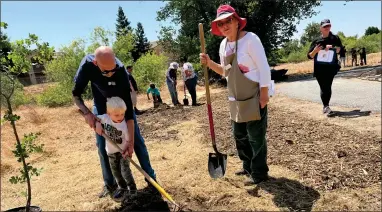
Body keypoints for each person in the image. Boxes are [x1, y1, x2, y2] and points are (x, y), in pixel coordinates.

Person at [72, 46, 158, 198]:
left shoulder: (121, 71)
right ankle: (110, 185)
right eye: (106, 72)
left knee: (137, 141)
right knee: (102, 145)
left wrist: (130, 142)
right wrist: (88, 114)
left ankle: (151, 179)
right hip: (101, 107)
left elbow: (130, 113)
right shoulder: (87, 66)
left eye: (113, 69)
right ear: (96, 64)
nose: (111, 74)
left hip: (121, 106)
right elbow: (76, 94)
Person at [200, 5, 272, 185]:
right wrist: (209, 63)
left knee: (256, 137)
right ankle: (247, 166)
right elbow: (225, 72)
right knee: (239, 135)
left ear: (236, 21)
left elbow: (264, 68)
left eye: (228, 20)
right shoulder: (224, 45)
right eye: (221, 23)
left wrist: (264, 94)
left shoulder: (250, 40)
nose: (225, 25)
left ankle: (259, 172)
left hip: (254, 96)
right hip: (235, 98)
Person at [95, 97, 137, 202]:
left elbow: (128, 141)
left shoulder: (124, 126)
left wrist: (127, 151)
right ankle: (123, 188)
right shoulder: (105, 118)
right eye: (117, 115)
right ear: (108, 113)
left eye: (122, 114)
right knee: (116, 172)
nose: (120, 117)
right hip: (111, 153)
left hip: (123, 152)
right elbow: (94, 118)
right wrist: (97, 124)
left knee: (125, 171)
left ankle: (133, 190)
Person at [307, 19, 343, 117]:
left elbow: (341, 51)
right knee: (324, 87)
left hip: (331, 67)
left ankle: (326, 106)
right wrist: (315, 50)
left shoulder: (335, 38)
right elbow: (309, 56)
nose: (327, 28)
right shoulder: (316, 41)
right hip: (319, 68)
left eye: (329, 26)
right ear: (321, 28)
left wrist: (337, 49)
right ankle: (326, 107)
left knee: (328, 86)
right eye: (325, 26)